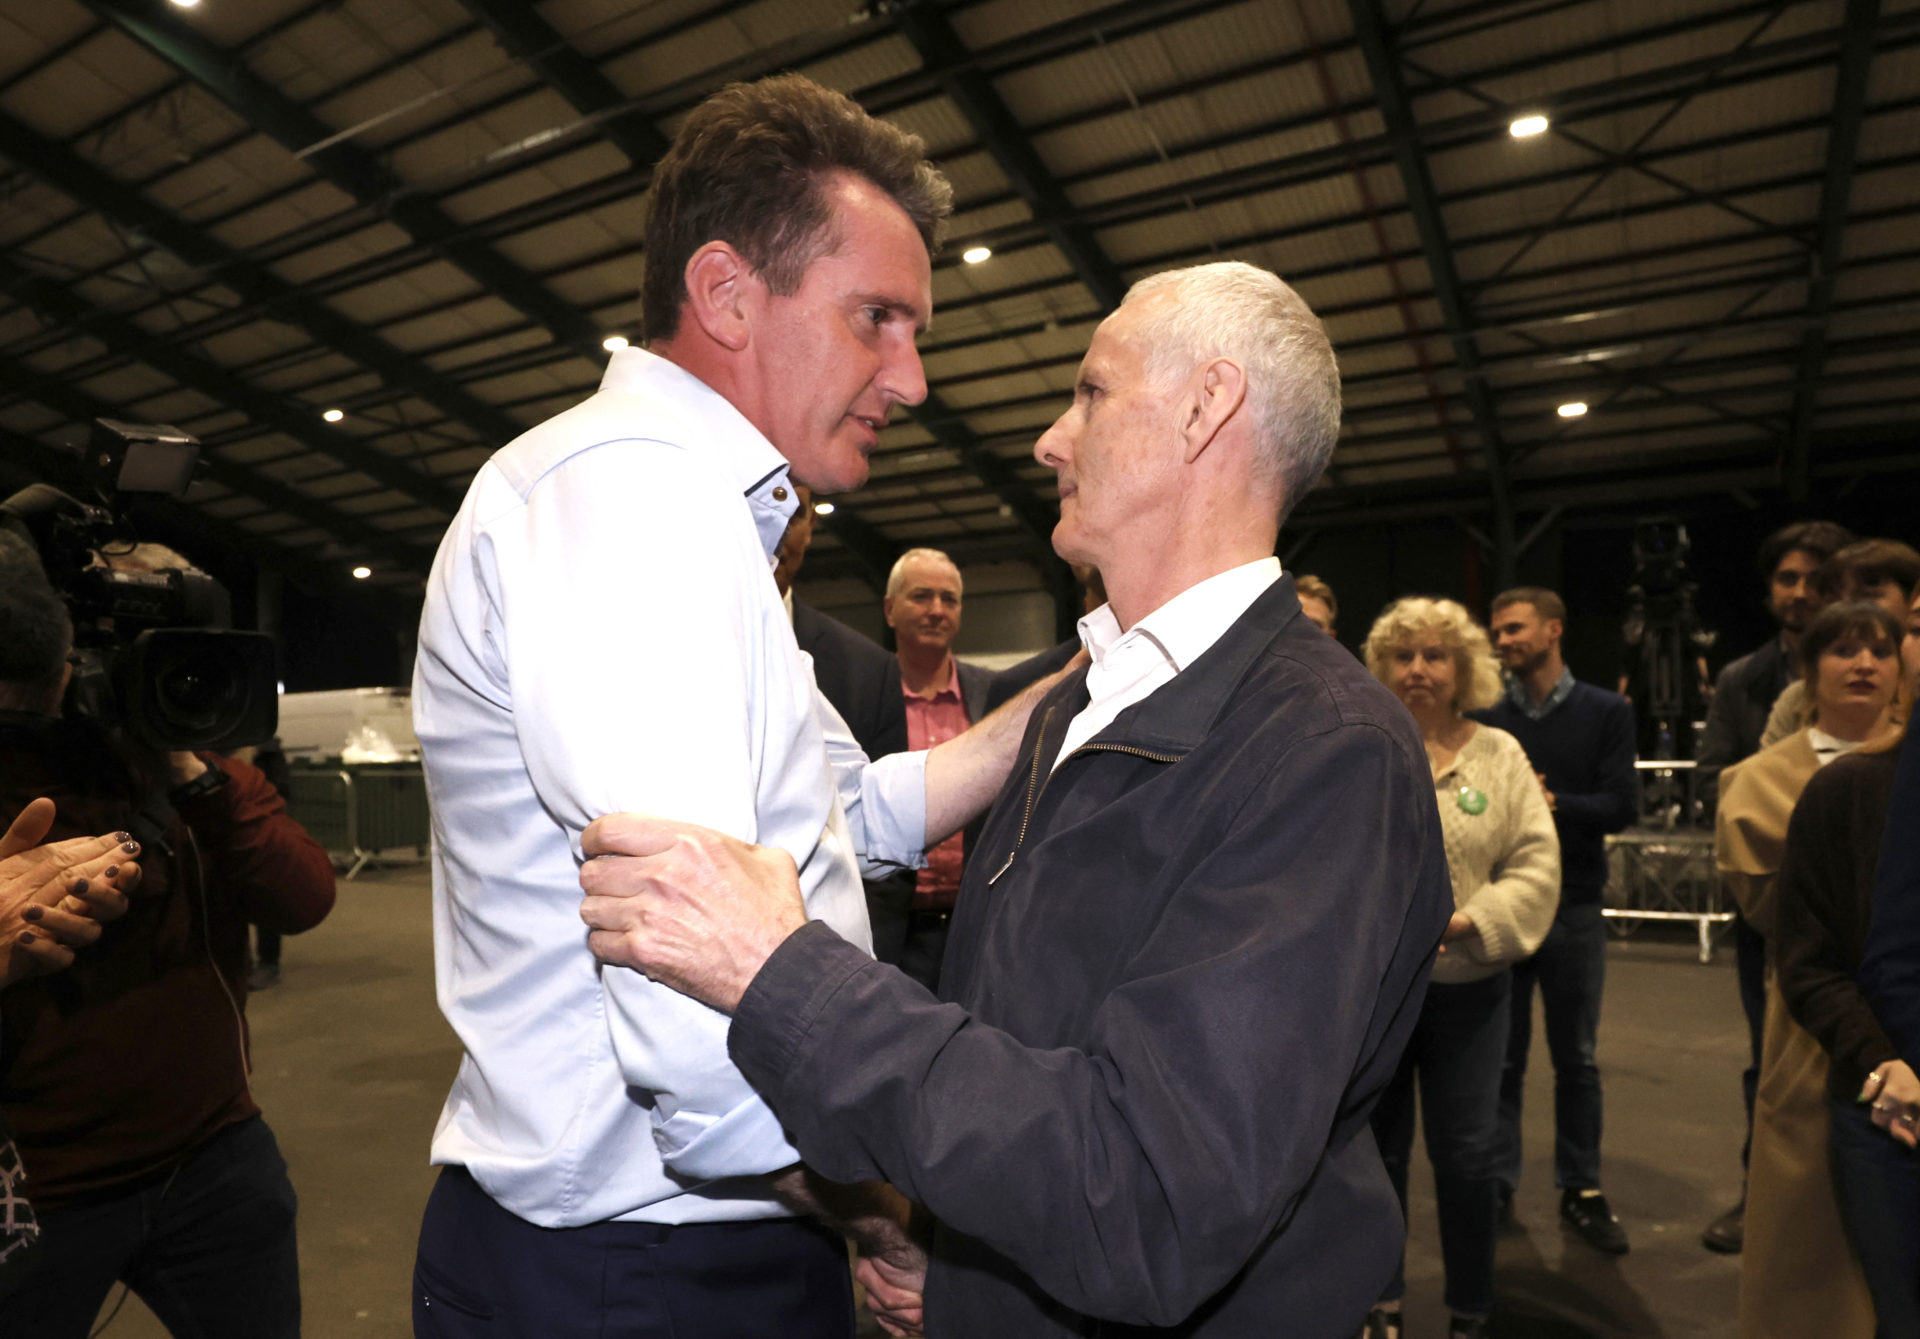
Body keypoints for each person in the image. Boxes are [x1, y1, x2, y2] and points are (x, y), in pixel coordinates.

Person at [576, 260, 1454, 1338]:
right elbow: (1026, 1046)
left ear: (1206, 407)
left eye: (1090, 392)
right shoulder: (1072, 705)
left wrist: (785, 974)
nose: (1049, 437)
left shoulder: (1324, 753)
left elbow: (1146, 1200)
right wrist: (961, 1265)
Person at [409, 74, 1062, 1337]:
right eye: (878, 318)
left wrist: (1061, 701)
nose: (913, 378)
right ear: (725, 295)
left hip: (692, 1236)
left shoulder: (701, 519)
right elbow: (685, 973)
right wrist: (879, 1207)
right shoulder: (634, 502)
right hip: (638, 1265)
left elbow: (846, 810)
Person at [0, 538, 335, 1338]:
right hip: (42, 1186)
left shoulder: (196, 777)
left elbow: (305, 895)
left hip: (214, 1157)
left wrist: (186, 767)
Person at [1362, 596, 1561, 1339]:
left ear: (1464, 666)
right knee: (1375, 1153)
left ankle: (1471, 1306)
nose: (1418, 669)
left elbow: (1537, 862)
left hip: (1474, 992)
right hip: (1381, 995)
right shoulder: (1363, 747)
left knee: (1469, 1157)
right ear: (1378, 667)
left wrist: (1472, 921)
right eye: (1403, 654)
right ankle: (1378, 1299)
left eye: (1435, 654)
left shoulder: (1500, 754)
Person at [1717, 600, 1904, 1339]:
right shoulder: (1756, 779)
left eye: (1881, 650)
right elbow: (1784, 919)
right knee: (1808, 1223)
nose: (1865, 663)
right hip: (1809, 1021)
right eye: (1844, 650)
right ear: (1809, 671)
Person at [1695, 517, 1853, 1252]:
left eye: (1816, 580)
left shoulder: (1888, 665)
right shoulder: (1741, 679)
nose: (1800, 592)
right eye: (1787, 579)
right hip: (1770, 914)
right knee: (1772, 1059)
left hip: (1871, 909)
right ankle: (1764, 1197)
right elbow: (1713, 778)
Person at [1772, 594, 1919, 1337]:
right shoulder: (1845, 791)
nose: (1868, 662)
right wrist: (1880, 1060)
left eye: (1884, 644)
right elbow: (1808, 957)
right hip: (1888, 1104)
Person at [1475, 586, 1637, 1253]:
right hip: (1509, 907)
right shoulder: (1488, 716)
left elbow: (1620, 805)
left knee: (1577, 1058)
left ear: (1554, 629)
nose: (1503, 640)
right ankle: (1499, 1181)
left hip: (1573, 908)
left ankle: (1582, 1186)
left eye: (1514, 629)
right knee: (1502, 1059)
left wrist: (1550, 802)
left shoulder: (1606, 711)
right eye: (1497, 631)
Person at [882, 548, 993, 991]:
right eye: (921, 597)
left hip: (972, 923)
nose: (936, 611)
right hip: (893, 926)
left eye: (949, 600)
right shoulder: (867, 693)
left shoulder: (991, 693)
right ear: (890, 610)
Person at [1757, 538, 1920, 749]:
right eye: (1837, 599)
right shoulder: (1800, 697)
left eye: (1867, 597)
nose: (1851, 610)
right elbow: (1764, 773)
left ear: (1913, 601)